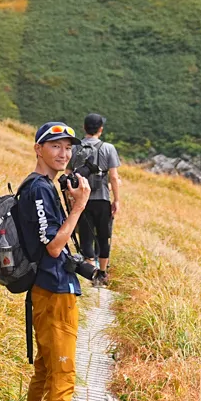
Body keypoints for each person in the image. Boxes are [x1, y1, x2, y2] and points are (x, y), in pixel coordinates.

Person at [13, 120, 96, 401]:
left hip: (47, 291)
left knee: (46, 374)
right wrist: (78, 207)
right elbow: (52, 246)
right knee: (62, 380)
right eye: (55, 146)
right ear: (38, 149)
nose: (63, 153)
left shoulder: (42, 187)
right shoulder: (38, 189)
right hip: (53, 290)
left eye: (67, 148)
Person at [73, 113, 122, 280]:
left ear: (84, 127)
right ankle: (102, 273)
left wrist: (70, 199)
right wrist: (116, 200)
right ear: (100, 129)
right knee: (103, 236)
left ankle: (90, 273)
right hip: (102, 200)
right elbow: (114, 177)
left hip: (82, 200)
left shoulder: (75, 148)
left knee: (86, 236)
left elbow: (68, 174)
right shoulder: (108, 148)